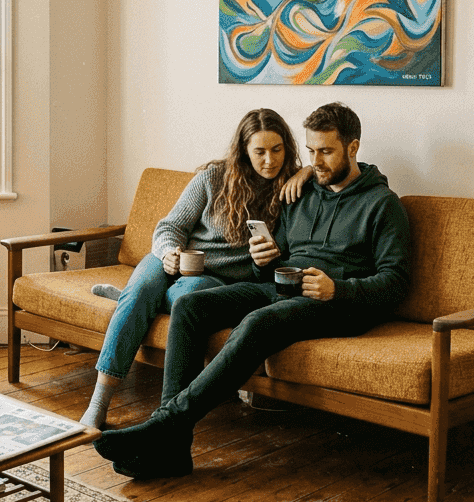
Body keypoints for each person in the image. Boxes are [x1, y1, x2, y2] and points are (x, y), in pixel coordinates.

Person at [92, 102, 412, 478]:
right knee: (191, 307)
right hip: (282, 288)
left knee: (259, 323)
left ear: (353, 148)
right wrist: (265, 259)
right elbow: (280, 259)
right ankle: (174, 449)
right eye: (311, 151)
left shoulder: (383, 205)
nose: (316, 161)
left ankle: (164, 427)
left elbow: (396, 282)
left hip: (336, 303)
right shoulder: (303, 191)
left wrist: (337, 289)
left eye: (326, 151)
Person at [78, 108, 310, 428]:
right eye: (259, 151)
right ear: (244, 150)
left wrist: (307, 170)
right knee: (144, 287)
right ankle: (98, 403)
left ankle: (132, 299)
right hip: (175, 259)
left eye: (277, 150)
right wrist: (169, 252)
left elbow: (334, 171)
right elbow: (169, 227)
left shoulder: (291, 191)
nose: (269, 160)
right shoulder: (212, 178)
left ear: (288, 148)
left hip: (214, 282)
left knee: (183, 297)